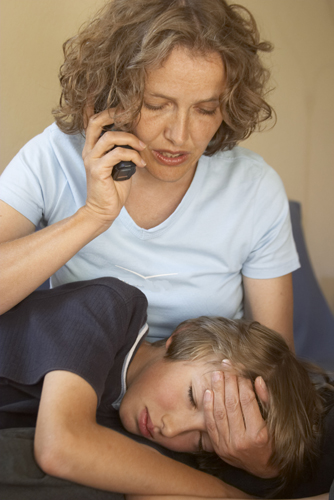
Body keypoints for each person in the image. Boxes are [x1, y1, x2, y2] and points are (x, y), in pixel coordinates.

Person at [0, 0, 299, 477]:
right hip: (83, 387)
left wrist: (260, 460)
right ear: (114, 91)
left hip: (202, 408)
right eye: (157, 104)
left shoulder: (254, 187)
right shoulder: (54, 156)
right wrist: (94, 215)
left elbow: (275, 365)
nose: (180, 135)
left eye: (206, 109)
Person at [0, 277, 333, 500]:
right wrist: (230, 495)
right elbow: (61, 447)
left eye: (203, 440)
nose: (171, 428)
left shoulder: (136, 426)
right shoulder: (110, 309)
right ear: (183, 337)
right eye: (192, 398)